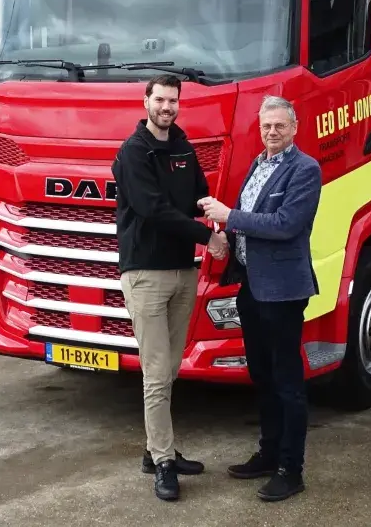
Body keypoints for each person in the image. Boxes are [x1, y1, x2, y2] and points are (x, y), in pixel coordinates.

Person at [198, 95, 321, 503]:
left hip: (283, 291)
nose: (272, 132)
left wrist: (229, 216)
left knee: (287, 381)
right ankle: (269, 454)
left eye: (280, 126)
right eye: (266, 126)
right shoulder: (258, 163)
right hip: (251, 285)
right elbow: (249, 219)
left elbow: (285, 224)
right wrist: (225, 236)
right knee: (262, 375)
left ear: (295, 128)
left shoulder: (305, 169)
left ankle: (291, 469)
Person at [112, 74, 229, 502]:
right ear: (145, 101)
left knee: (171, 368)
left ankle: (154, 449)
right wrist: (208, 238)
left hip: (183, 272)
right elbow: (153, 210)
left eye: (173, 101)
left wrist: (218, 215)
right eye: (160, 99)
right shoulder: (133, 152)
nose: (166, 107)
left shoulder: (182, 146)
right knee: (157, 373)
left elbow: (197, 193)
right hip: (146, 274)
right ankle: (163, 462)